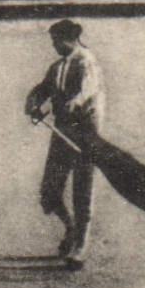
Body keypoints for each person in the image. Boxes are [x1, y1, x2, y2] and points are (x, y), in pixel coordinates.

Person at [24, 19, 105, 269]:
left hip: (85, 133)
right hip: (62, 131)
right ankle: (70, 228)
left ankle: (80, 245)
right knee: (49, 190)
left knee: (82, 189)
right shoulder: (58, 66)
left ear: (71, 39)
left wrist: (76, 102)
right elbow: (44, 89)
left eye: (57, 41)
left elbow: (87, 89)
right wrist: (34, 102)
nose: (54, 46)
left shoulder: (87, 62)